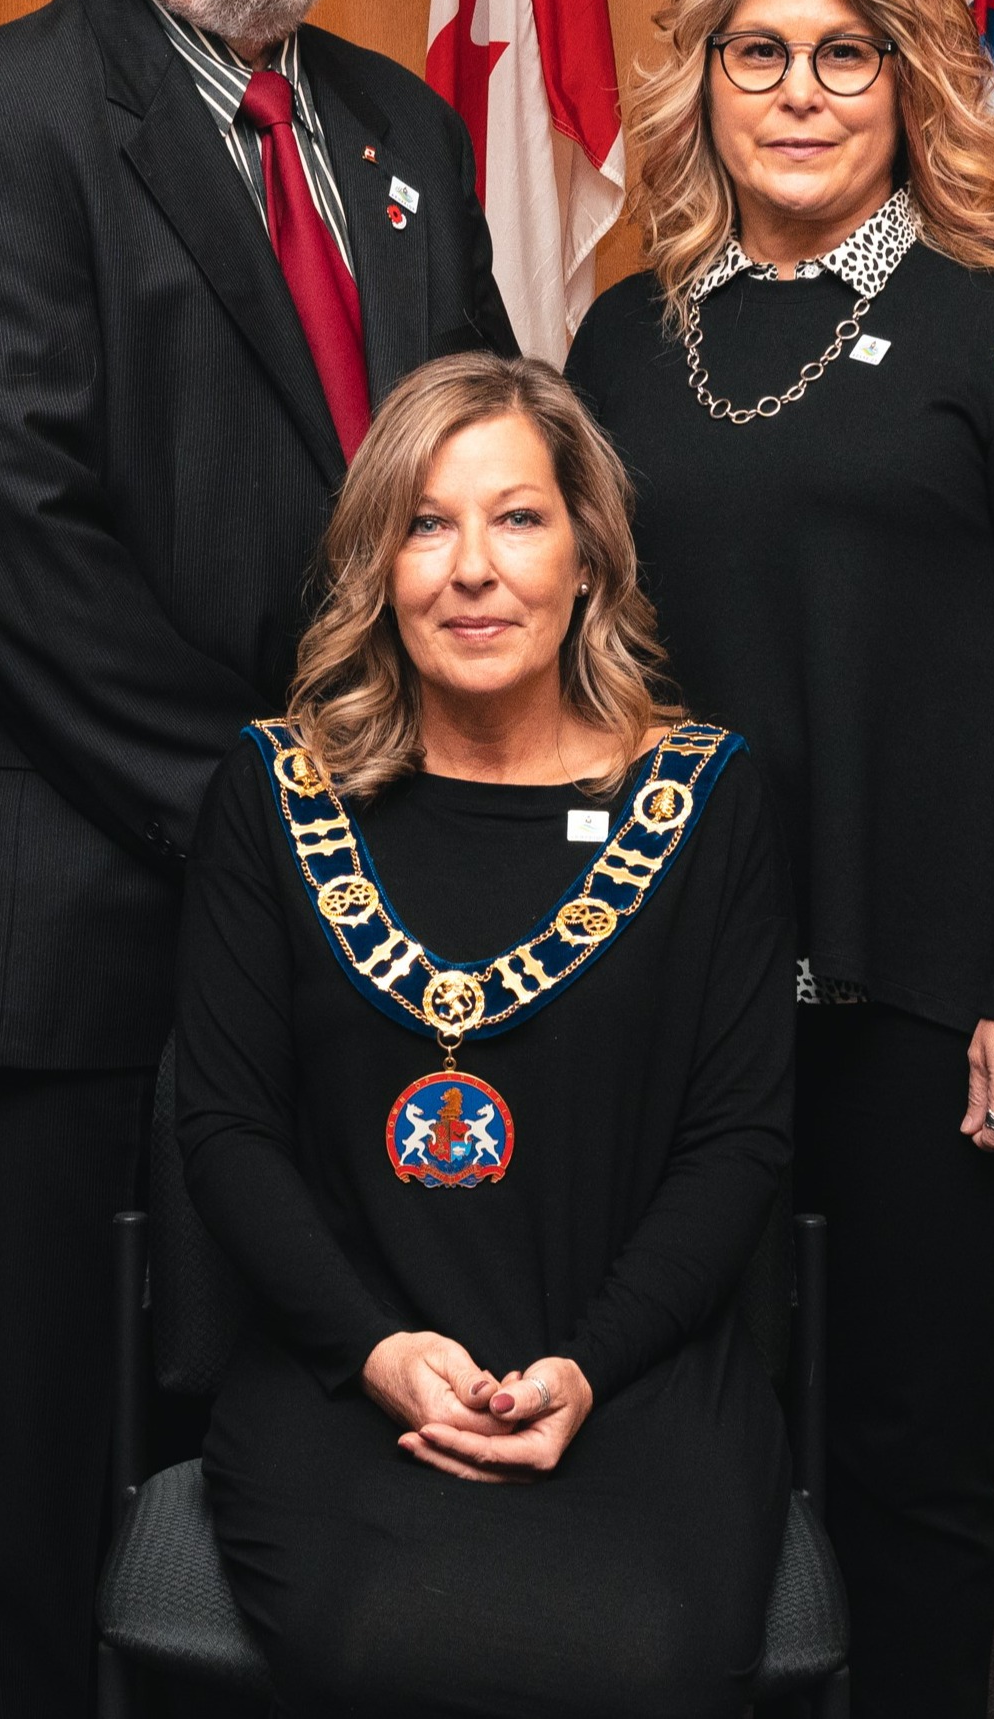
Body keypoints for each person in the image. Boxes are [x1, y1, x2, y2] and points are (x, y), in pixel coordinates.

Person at [0, 0, 517, 1716]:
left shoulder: (401, 130)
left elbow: (485, 469)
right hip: (89, 884)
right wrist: (283, 822)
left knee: (314, 1364)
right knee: (69, 1412)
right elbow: (16, 543)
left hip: (374, 878)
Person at [566, 0, 994, 1719]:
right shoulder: (619, 341)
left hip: (944, 997)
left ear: (911, 85)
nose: (801, 94)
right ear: (704, 84)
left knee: (907, 1457)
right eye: (761, 54)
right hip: (687, 1000)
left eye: (848, 55)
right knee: (688, 1428)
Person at [177, 353, 795, 1719]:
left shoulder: (706, 797)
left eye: (516, 519)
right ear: (375, 567)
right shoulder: (272, 792)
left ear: (586, 560)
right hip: (345, 1374)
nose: (470, 568)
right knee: (384, 1649)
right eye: (424, 523)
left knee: (648, 1662)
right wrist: (377, 1352)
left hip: (628, 1373)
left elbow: (737, 1141)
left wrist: (587, 1364)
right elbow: (223, 1129)